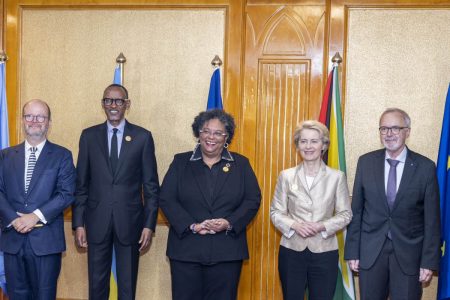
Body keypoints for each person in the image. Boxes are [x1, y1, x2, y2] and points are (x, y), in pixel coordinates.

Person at [159, 109, 261, 300]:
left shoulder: (241, 164)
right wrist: (191, 225)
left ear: (227, 137)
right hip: (186, 250)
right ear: (198, 133)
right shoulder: (181, 162)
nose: (211, 137)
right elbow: (166, 198)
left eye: (218, 133)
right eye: (206, 131)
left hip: (227, 251)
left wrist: (229, 222)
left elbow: (252, 199)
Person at [72, 84, 159, 300]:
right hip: (96, 221)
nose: (113, 105)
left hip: (130, 222)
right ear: (102, 104)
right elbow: (81, 184)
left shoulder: (142, 137)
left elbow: (150, 186)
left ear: (127, 105)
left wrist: (149, 225)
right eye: (108, 100)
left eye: (118, 101)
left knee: (127, 286)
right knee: (97, 285)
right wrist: (79, 224)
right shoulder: (88, 136)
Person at [344, 108, 441, 300]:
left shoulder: (426, 167)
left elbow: (432, 220)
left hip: (409, 256)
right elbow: (357, 211)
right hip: (371, 254)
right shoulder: (366, 162)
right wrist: (352, 252)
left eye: (395, 128)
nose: (389, 134)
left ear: (407, 131)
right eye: (384, 129)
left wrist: (428, 261)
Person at [0, 99, 76, 299]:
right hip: (12, 241)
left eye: (40, 116)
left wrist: (34, 216)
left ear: (49, 122)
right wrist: (14, 219)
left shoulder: (62, 156)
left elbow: (66, 193)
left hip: (46, 243)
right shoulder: (5, 156)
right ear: (23, 120)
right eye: (29, 116)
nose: (34, 120)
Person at [270, 120, 352, 300]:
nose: (308, 146)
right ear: (297, 145)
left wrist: (322, 226)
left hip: (325, 251)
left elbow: (346, 214)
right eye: (303, 141)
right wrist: (295, 225)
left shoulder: (336, 177)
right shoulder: (286, 176)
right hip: (291, 251)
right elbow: (275, 212)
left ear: (323, 145)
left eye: (314, 141)